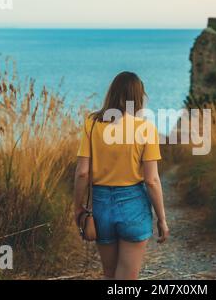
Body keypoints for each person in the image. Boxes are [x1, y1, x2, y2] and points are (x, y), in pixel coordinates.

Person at [74, 71, 170, 280]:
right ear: (137, 97)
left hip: (101, 206)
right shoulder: (146, 128)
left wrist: (77, 207)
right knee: (126, 278)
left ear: (112, 92)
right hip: (133, 205)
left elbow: (82, 173)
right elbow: (152, 180)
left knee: (110, 275)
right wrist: (161, 219)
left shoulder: (92, 123)